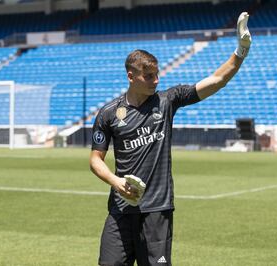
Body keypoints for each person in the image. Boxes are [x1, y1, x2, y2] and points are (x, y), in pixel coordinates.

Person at [90, 12, 252, 266]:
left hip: (157, 210)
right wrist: (115, 181)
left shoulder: (168, 100)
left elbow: (217, 80)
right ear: (131, 77)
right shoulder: (109, 113)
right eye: (148, 76)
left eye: (157, 74)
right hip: (121, 209)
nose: (156, 80)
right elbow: (95, 160)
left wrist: (241, 50)